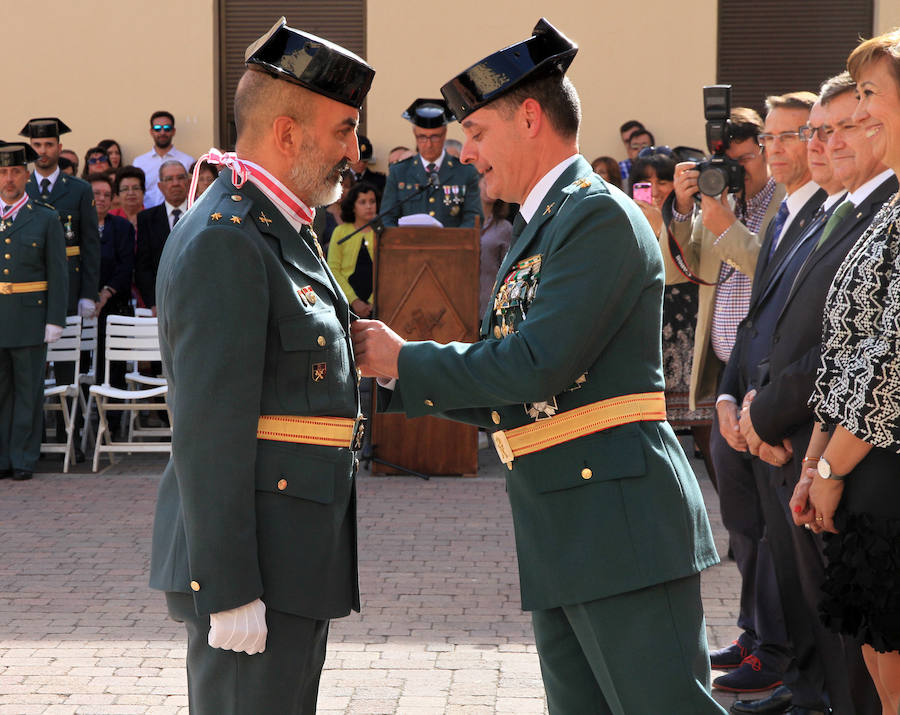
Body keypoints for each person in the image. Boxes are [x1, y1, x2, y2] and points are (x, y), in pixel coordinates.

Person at [352, 19, 724, 712]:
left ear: (530, 118)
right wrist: (400, 372)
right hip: (564, 525)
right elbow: (513, 394)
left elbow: (534, 365)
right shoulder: (545, 223)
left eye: (479, 133)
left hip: (617, 525)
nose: (466, 154)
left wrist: (408, 358)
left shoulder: (596, 217)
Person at [147, 17, 374, 714]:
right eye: (343, 131)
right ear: (286, 133)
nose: (356, 154)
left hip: (293, 555)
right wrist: (231, 585)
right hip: (258, 569)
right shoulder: (228, 239)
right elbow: (208, 430)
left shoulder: (278, 228)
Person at [733, 76, 891, 715]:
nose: (828, 143)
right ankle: (809, 696)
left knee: (858, 636)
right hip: (804, 435)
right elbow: (760, 321)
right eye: (817, 131)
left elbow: (865, 350)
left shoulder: (883, 211)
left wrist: (780, 426)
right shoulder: (835, 211)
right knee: (819, 611)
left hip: (847, 449)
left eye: (843, 126)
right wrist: (743, 404)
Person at [660, 107, 793, 695]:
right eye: (726, 162)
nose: (735, 171)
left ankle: (776, 646)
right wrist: (687, 211)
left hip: (768, 388)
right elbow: (683, 269)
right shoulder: (726, 205)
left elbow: (770, 273)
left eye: (744, 159)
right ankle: (752, 630)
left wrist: (721, 219)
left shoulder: (785, 203)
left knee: (771, 527)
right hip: (725, 385)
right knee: (741, 525)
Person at [791, 29, 900, 714]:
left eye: (868, 94)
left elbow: (892, 358)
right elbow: (844, 354)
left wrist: (828, 472)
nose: (856, 112)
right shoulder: (891, 209)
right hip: (862, 475)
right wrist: (813, 466)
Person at [630, 147, 716, 487]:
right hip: (647, 332)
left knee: (706, 428)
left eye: (663, 180)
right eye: (645, 181)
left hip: (688, 329)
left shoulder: (689, 217)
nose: (656, 188)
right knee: (654, 431)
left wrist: (661, 226)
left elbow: (678, 270)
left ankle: (735, 523)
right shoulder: (623, 216)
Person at [0, 142, 67, 481]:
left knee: (28, 391)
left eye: (14, 172)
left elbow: (58, 271)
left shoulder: (44, 217)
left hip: (30, 316)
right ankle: (1, 458)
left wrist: (55, 319)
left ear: (26, 176)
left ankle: (23, 458)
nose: (8, 179)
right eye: (2, 172)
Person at [21, 117, 100, 320]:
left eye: (49, 144)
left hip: (69, 284)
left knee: (69, 350)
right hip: (29, 285)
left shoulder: (80, 189)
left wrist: (88, 294)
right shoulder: (20, 188)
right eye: (37, 145)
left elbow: (90, 244)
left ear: (59, 147)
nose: (43, 151)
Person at [380, 97, 482, 227]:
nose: (428, 144)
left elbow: (474, 218)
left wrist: (453, 244)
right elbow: (387, 218)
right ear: (415, 135)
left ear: (444, 134)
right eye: (422, 137)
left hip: (452, 245)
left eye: (434, 137)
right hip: (409, 246)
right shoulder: (399, 172)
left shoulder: (465, 172)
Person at [135, 161, 188, 315]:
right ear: (160, 186)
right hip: (162, 302)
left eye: (180, 178)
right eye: (169, 179)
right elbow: (143, 266)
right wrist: (153, 302)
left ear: (189, 182)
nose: (175, 183)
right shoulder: (147, 219)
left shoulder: (202, 214)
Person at [327, 181, 379, 318]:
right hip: (347, 302)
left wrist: (373, 301)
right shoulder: (340, 232)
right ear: (353, 207)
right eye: (362, 202)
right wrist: (354, 301)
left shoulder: (381, 232)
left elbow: (389, 271)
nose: (369, 206)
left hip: (378, 303)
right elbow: (333, 269)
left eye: (372, 201)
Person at [133, 111, 194, 208]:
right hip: (147, 216)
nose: (162, 132)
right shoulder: (139, 163)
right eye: (157, 128)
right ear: (151, 131)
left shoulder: (187, 161)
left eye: (167, 128)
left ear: (173, 131)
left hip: (178, 216)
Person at [478, 176, 513, 315]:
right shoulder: (462, 222)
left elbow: (508, 272)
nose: (488, 186)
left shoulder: (505, 228)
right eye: (485, 181)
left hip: (488, 305)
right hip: (461, 303)